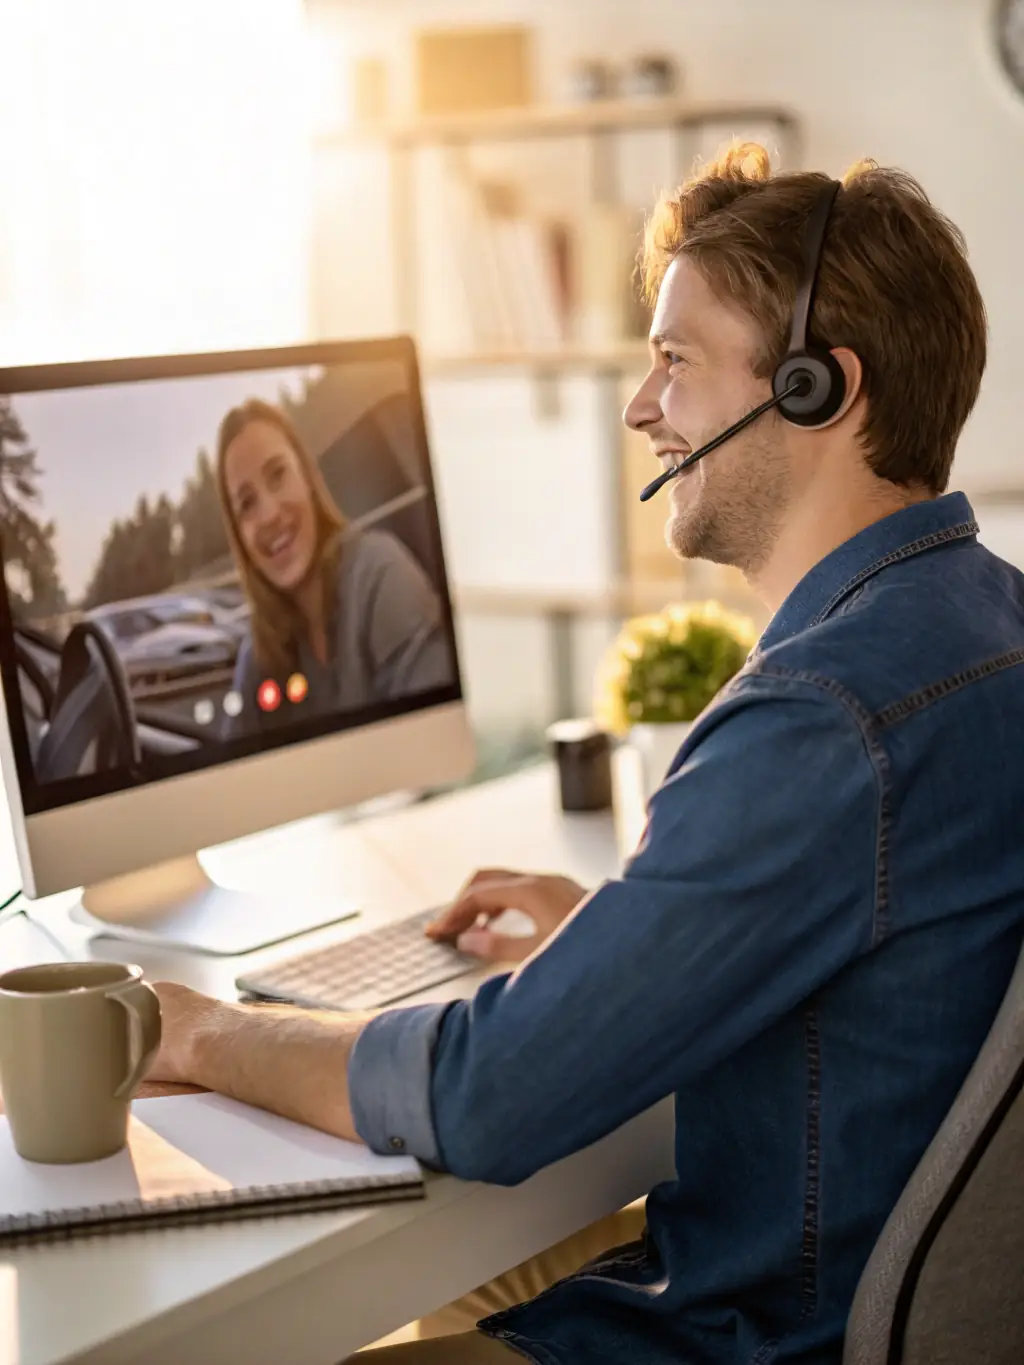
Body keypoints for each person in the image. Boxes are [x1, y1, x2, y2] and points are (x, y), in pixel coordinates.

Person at [148, 144, 1024, 1365]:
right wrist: (620, 941)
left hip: (747, 1329)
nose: (638, 404)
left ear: (820, 389)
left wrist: (192, 1034)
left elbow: (484, 1097)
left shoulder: (822, 713)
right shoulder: (992, 625)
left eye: (674, 360)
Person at [215, 398, 453, 737]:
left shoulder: (381, 574)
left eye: (278, 475)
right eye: (247, 503)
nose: (268, 514)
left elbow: (435, 738)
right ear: (239, 536)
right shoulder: (257, 655)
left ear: (309, 478)